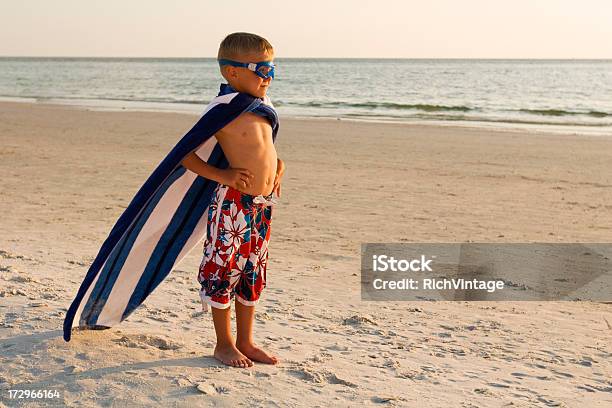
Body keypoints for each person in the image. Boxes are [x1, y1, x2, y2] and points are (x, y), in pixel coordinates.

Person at [181, 32, 285, 368]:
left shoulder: (262, 107)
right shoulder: (222, 109)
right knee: (224, 270)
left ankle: (246, 341)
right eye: (261, 69)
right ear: (232, 72)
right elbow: (185, 154)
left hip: (261, 205)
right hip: (232, 204)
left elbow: (264, 149)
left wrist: (278, 167)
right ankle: (223, 344)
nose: (268, 77)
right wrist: (222, 176)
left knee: (252, 271)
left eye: (272, 69)